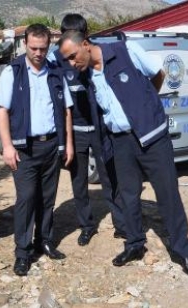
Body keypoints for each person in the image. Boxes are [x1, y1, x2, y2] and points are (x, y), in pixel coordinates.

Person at [58, 30, 188, 276]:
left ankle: (182, 249)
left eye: (72, 56)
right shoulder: (87, 74)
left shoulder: (126, 51)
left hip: (152, 136)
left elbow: (159, 74)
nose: (71, 63)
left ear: (86, 45)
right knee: (128, 196)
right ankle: (134, 243)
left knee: (167, 193)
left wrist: (146, 106)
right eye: (67, 59)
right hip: (120, 141)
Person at [0, 24, 74, 276]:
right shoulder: (13, 71)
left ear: (49, 46)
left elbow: (66, 110)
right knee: (26, 199)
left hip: (51, 145)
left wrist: (68, 143)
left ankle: (46, 241)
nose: (38, 53)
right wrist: (7, 145)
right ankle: (23, 252)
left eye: (43, 48)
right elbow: (2, 111)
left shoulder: (55, 71)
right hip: (24, 148)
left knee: (48, 199)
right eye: (33, 48)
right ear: (24, 45)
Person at [51, 14, 127, 246]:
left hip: (100, 129)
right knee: (79, 182)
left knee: (109, 178)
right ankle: (87, 225)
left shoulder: (97, 56)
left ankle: (121, 224)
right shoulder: (58, 60)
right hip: (76, 131)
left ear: (86, 38)